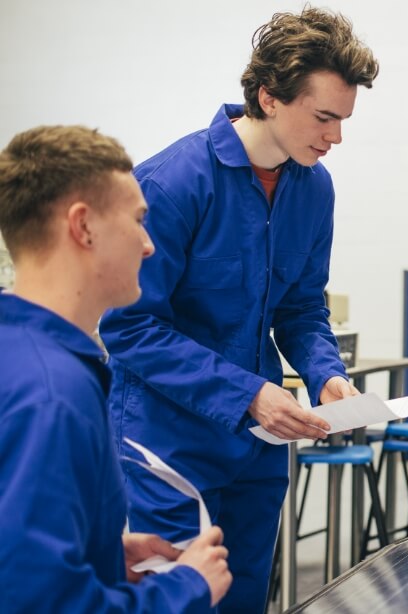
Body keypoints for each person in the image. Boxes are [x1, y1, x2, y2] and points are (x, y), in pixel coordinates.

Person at [97, 8, 379, 610]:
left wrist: (327, 376)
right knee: (176, 599)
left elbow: (301, 307)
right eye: (324, 117)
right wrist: (248, 392)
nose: (336, 138)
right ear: (269, 97)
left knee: (245, 596)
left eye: (344, 119)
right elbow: (128, 326)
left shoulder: (313, 186)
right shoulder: (173, 184)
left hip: (256, 448)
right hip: (165, 445)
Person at [0, 125, 231, 611]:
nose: (149, 245)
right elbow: (43, 604)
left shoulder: (22, 354)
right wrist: (186, 585)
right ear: (83, 226)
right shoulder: (52, 393)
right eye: (138, 220)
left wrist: (100, 555)